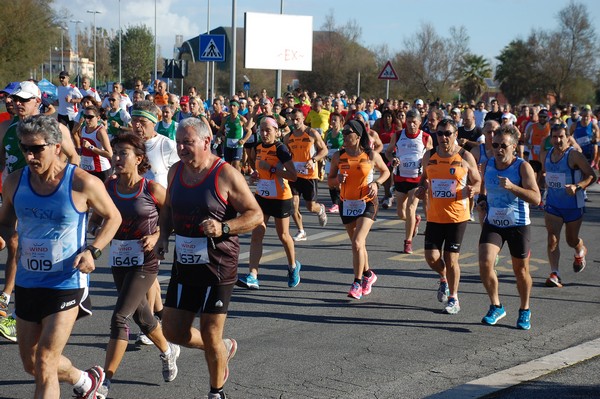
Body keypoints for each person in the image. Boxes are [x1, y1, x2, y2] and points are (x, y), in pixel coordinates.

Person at [0, 114, 121, 398]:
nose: (29, 155)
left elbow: (113, 217)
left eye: (36, 148)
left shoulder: (81, 182)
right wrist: (5, 236)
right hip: (28, 281)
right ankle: (84, 380)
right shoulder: (15, 182)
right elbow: (5, 220)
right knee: (31, 363)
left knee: (45, 360)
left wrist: (93, 250)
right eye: (24, 148)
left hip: (66, 281)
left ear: (56, 146)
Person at [155, 117, 262, 399]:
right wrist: (163, 236)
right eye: (178, 142)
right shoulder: (175, 172)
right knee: (173, 331)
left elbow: (255, 214)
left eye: (187, 142)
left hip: (219, 265)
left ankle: (217, 392)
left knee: (210, 331)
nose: (181, 147)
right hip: (185, 263)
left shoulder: (225, 174)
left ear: (206, 141)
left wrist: (224, 227)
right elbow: (167, 209)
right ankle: (222, 348)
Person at [88, 133, 179, 399]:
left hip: (146, 259)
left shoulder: (151, 189)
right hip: (119, 256)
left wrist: (157, 235)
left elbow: (171, 214)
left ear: (139, 159)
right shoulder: (110, 187)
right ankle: (167, 350)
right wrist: (96, 227)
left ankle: (105, 381)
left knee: (120, 316)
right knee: (142, 316)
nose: (116, 158)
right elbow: (97, 217)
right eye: (114, 152)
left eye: (122, 153)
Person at [0, 82, 80, 341]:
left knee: (24, 246)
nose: (16, 103)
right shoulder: (5, 128)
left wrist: (61, 187)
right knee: (14, 243)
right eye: (13, 98)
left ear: (38, 101)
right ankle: (8, 300)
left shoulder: (56, 129)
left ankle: (11, 299)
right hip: (16, 198)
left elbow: (74, 159)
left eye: (23, 99)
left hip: (49, 201)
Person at [477, 125, 541, 330]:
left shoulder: (522, 167)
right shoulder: (487, 165)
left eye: (503, 145)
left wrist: (513, 187)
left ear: (513, 146)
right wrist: (482, 199)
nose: (498, 149)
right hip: (494, 222)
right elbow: (484, 187)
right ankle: (496, 306)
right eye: (495, 145)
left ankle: (525, 309)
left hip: (518, 224)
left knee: (520, 271)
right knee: (486, 263)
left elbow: (536, 198)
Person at [415, 118, 481, 314]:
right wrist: (421, 188)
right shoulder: (429, 156)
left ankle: (454, 298)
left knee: (451, 259)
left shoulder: (465, 156)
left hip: (457, 216)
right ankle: (443, 278)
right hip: (435, 215)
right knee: (431, 258)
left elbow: (477, 181)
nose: (443, 137)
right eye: (440, 133)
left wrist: (473, 190)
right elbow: (424, 180)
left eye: (448, 133)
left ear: (456, 136)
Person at [328, 119, 390, 299]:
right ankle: (369, 274)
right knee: (357, 245)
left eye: (348, 132)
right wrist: (337, 180)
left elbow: (385, 171)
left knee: (357, 242)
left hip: (367, 202)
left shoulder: (370, 155)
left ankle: (357, 282)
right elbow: (330, 180)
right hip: (346, 203)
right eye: (343, 132)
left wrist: (377, 183)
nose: (344, 135)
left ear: (358, 135)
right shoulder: (338, 156)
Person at [237, 116, 300, 289]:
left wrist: (271, 169)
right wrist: (256, 175)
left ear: (276, 132)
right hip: (262, 197)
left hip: (281, 198)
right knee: (257, 234)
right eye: (262, 130)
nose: (264, 134)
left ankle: (293, 266)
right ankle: (253, 275)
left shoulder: (281, 149)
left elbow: (293, 175)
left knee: (283, 236)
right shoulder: (257, 148)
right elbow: (260, 169)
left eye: (268, 130)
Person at [543, 124, 596, 288]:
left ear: (567, 137)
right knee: (552, 238)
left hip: (573, 205)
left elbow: (592, 176)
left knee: (571, 240)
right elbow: (544, 175)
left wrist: (577, 186)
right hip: (553, 204)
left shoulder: (574, 155)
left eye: (561, 137)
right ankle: (555, 273)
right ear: (550, 138)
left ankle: (580, 249)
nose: (557, 140)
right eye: (554, 137)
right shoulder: (547, 153)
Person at [385, 109, 432, 254]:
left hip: (416, 179)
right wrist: (392, 159)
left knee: (411, 208)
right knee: (401, 213)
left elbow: (430, 156)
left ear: (419, 122)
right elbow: (388, 152)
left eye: (414, 122)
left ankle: (408, 242)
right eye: (409, 122)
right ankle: (415, 220)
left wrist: (427, 175)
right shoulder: (398, 135)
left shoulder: (425, 137)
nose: (411, 125)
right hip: (400, 178)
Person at [284, 108, 328, 241]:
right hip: (295, 175)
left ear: (303, 118)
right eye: (293, 119)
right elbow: (285, 155)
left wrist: (313, 159)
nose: (295, 122)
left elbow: (324, 150)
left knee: (310, 207)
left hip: (309, 175)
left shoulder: (312, 133)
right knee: (294, 203)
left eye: (298, 119)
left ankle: (320, 209)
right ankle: (301, 230)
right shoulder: (288, 137)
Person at [79, 106, 113, 181]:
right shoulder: (83, 129)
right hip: (86, 169)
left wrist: (91, 147)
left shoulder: (100, 132)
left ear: (98, 118)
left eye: (90, 117)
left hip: (100, 170)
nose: (87, 120)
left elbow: (110, 154)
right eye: (85, 116)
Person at [217, 99, 252, 171]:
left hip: (238, 145)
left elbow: (249, 131)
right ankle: (229, 181)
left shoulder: (241, 119)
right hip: (227, 144)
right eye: (230, 105)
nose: (232, 107)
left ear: (238, 108)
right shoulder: (225, 119)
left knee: (236, 165)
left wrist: (244, 140)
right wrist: (222, 136)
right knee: (227, 165)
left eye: (234, 105)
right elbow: (220, 131)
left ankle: (238, 180)